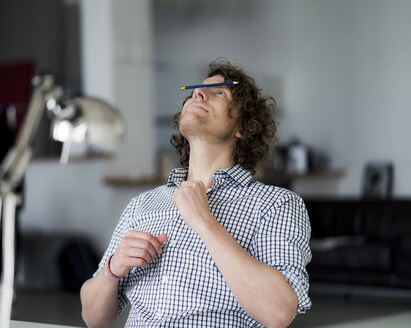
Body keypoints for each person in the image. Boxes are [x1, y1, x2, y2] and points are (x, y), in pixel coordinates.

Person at [80, 59, 312, 328]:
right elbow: (93, 318)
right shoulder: (142, 205)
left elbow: (279, 312)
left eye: (220, 93)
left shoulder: (276, 204)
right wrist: (113, 268)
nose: (198, 94)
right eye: (195, 92)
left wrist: (204, 222)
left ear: (244, 128)